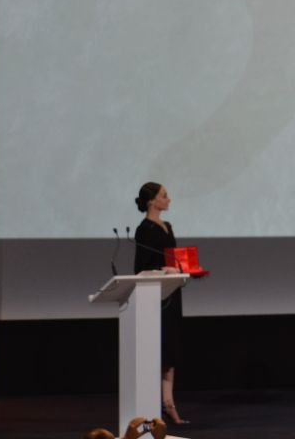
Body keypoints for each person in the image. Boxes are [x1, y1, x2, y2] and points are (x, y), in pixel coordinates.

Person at [133, 182, 188, 426]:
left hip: (172, 292)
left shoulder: (168, 226)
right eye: (164, 196)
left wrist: (183, 269)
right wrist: (161, 270)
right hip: (155, 296)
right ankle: (152, 406)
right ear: (151, 201)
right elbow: (140, 268)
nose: (169, 199)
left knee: (171, 350)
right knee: (157, 349)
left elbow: (173, 258)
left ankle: (168, 403)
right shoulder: (144, 229)